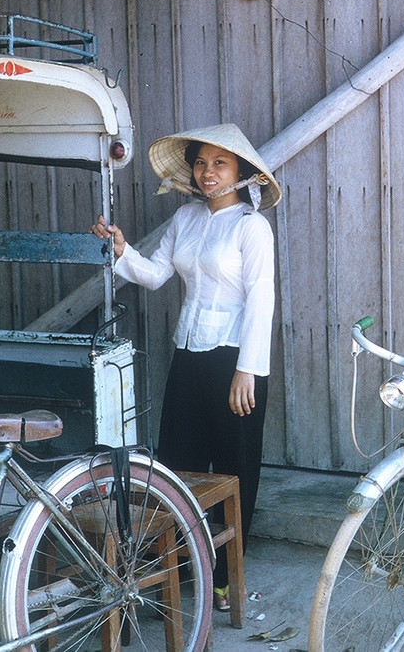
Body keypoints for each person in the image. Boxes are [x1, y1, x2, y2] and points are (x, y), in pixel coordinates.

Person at [89, 123, 280, 613]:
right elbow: (154, 276)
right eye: (201, 163)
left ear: (241, 173)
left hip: (234, 362)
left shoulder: (251, 227)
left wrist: (248, 371)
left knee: (234, 471)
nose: (208, 172)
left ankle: (223, 581)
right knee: (179, 464)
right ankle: (177, 569)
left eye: (220, 163)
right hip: (190, 356)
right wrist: (121, 251)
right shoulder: (187, 218)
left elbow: (261, 303)